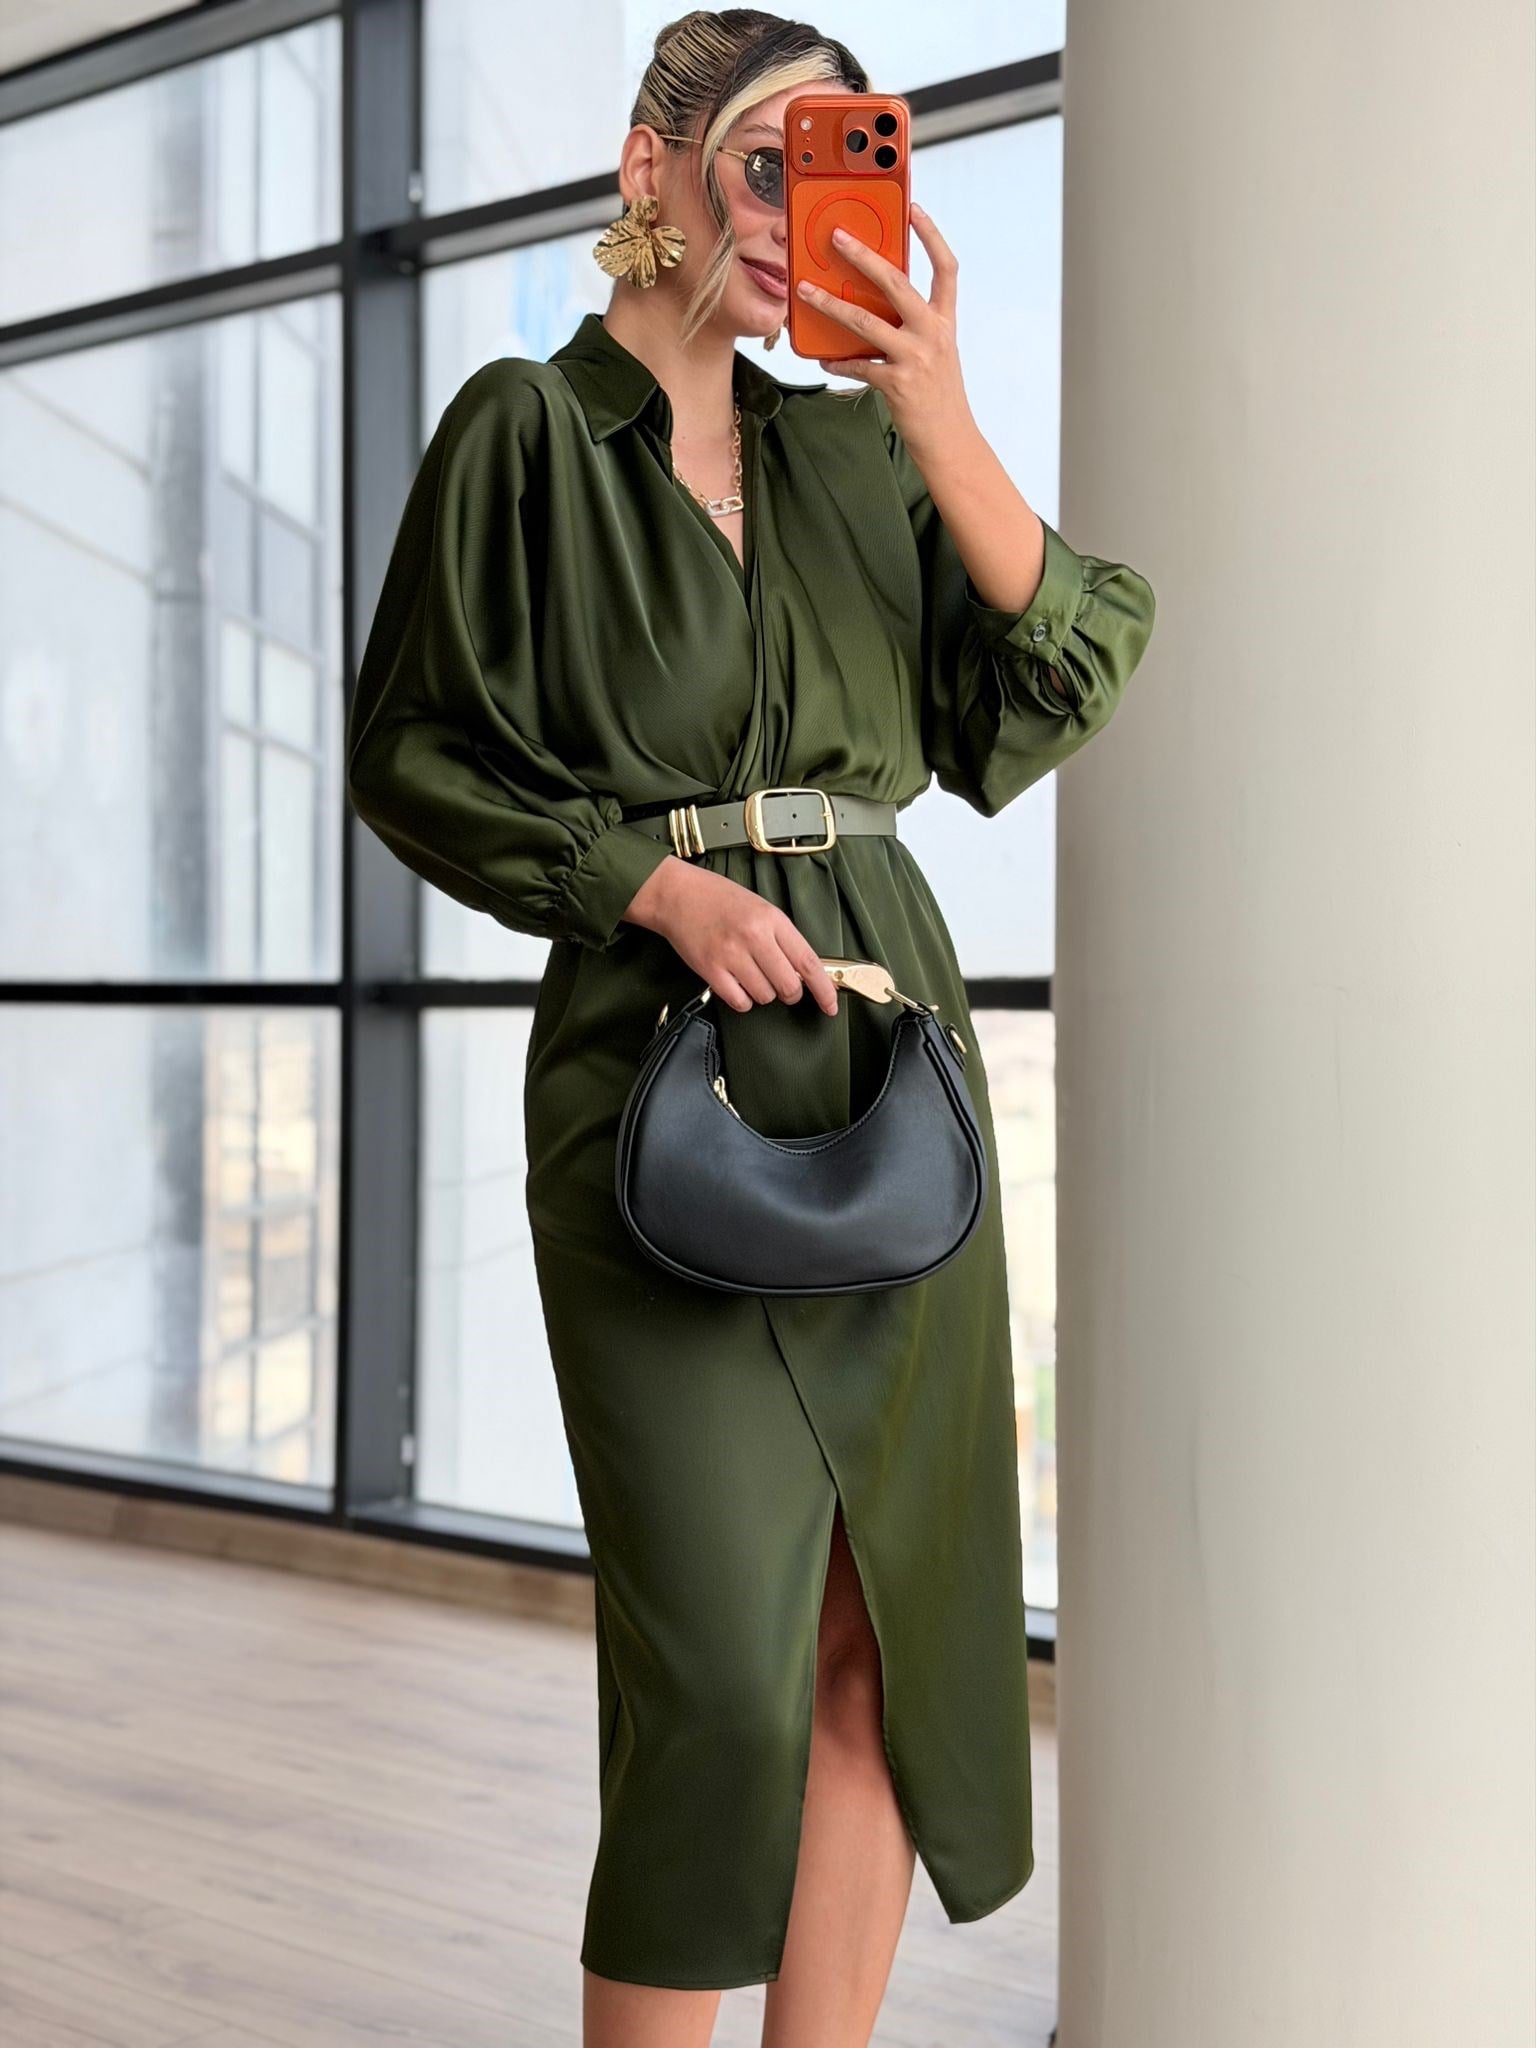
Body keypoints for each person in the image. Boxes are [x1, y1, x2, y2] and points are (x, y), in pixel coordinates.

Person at [346, 13, 1156, 2047]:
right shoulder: (527, 434)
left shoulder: (863, 456)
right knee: (713, 1673)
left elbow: (1058, 680)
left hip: (887, 1067)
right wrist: (650, 884)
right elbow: (413, 753)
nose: (807, 213)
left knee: (887, 1644)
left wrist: (937, 407)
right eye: (770, 164)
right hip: (656, 1069)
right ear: (656, 170)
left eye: (848, 163)